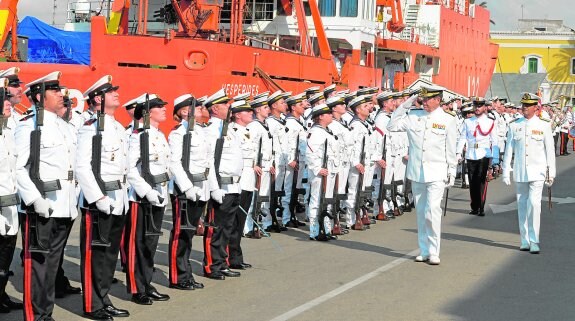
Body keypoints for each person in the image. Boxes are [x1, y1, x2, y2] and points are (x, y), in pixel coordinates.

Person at [16, 71, 78, 320]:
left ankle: (45, 313)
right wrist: (34, 199)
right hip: (41, 205)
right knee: (38, 264)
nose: (61, 95)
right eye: (54, 91)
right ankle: (35, 316)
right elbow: (18, 167)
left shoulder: (64, 127)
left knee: (52, 265)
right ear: (40, 97)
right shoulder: (28, 127)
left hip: (64, 206)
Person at [76, 75, 130, 320]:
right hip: (99, 200)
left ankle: (103, 298)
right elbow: (82, 166)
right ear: (98, 98)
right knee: (94, 255)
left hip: (118, 199)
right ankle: (92, 305)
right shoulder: (90, 127)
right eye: (111, 91)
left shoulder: (117, 127)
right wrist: (98, 198)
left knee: (109, 255)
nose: (117, 94)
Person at [387, 85, 457, 265]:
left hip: (437, 172)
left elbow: (451, 149)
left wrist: (451, 171)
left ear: (438, 100)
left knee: (432, 211)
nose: (424, 102)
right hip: (417, 171)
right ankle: (424, 249)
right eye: (422, 99)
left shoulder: (448, 119)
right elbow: (392, 125)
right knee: (420, 212)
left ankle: (434, 251)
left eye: (428, 99)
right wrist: (408, 102)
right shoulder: (414, 116)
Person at [125, 94, 171, 305]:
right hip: (142, 198)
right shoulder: (138, 136)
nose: (163, 109)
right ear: (147, 112)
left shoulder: (159, 135)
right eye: (158, 107)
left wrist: (162, 193)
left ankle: (147, 284)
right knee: (139, 244)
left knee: (151, 243)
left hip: (159, 194)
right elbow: (130, 169)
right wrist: (148, 193)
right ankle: (137, 289)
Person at [502, 93, 556, 254]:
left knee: (534, 204)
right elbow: (509, 150)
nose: (524, 108)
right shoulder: (514, 125)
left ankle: (534, 240)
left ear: (535, 107)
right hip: (520, 171)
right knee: (522, 205)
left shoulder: (543, 125)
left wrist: (551, 172)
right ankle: (524, 239)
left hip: (538, 171)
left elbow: (550, 150)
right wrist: (506, 170)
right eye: (523, 105)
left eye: (528, 105)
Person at [167, 94, 210, 290]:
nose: (201, 109)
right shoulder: (178, 134)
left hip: (199, 188)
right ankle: (178, 276)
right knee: (181, 233)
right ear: (184, 111)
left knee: (190, 233)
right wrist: (187, 187)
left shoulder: (200, 132)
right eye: (196, 107)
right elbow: (175, 163)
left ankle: (186, 274)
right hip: (185, 189)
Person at [202, 89, 243, 280]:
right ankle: (212, 265)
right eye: (225, 104)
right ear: (215, 108)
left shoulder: (229, 129)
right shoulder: (211, 131)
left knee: (227, 227)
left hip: (233, 185)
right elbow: (210, 161)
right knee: (215, 228)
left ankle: (222, 261)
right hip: (220, 186)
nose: (229, 107)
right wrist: (214, 188)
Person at [0, 84, 23, 314]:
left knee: (5, 260)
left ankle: (1, 295)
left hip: (10, 208)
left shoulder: (7, 132)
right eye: (4, 99)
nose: (9, 103)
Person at [456, 97, 499, 216]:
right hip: (470, 154)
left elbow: (495, 141)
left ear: (484, 107)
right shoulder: (468, 121)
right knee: (472, 181)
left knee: (481, 181)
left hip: (483, 154)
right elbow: (462, 138)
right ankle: (474, 206)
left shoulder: (490, 121)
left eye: (479, 106)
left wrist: (495, 159)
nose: (477, 108)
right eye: (475, 106)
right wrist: (458, 153)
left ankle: (481, 207)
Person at [227, 100, 256, 269]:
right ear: (238, 115)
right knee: (235, 221)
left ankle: (236, 256)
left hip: (248, 179)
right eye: (247, 111)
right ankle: (231, 256)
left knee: (241, 220)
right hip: (239, 180)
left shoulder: (247, 131)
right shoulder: (233, 131)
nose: (251, 113)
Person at [306, 104, 338, 240]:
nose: (331, 115)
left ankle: (326, 229)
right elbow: (310, 153)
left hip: (329, 170)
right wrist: (317, 168)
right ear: (320, 116)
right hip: (320, 172)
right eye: (328, 113)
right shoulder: (316, 132)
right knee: (316, 201)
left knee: (326, 201)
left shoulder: (327, 131)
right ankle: (314, 231)